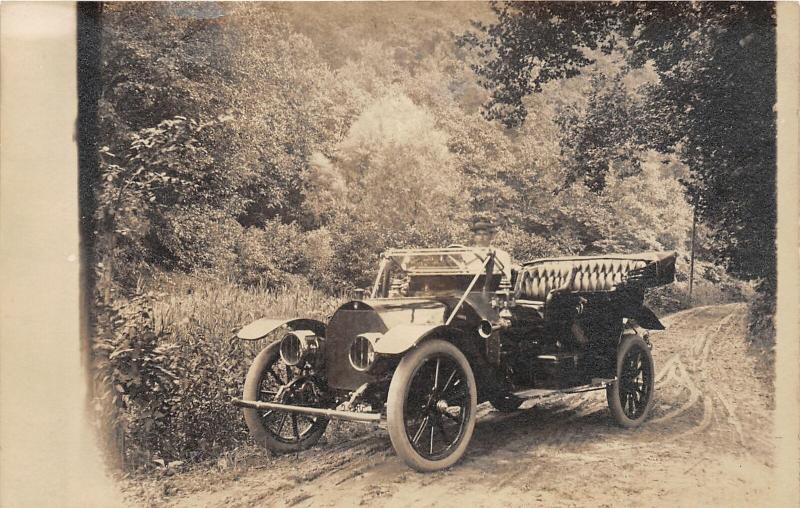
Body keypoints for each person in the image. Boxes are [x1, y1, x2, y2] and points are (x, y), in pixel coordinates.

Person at [469, 218, 514, 285]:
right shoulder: (467, 254)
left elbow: (507, 277)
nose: (481, 237)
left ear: (491, 236)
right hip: (469, 290)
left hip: (494, 290)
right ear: (474, 237)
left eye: (485, 234)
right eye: (478, 234)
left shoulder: (502, 255)